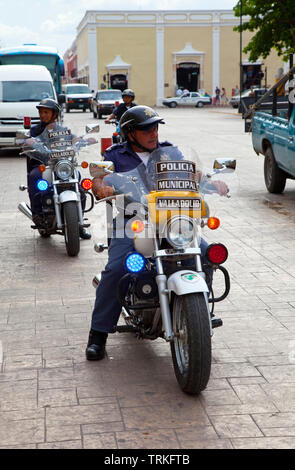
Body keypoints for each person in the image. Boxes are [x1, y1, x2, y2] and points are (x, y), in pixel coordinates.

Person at [86, 105, 227, 361]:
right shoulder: (116, 154)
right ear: (130, 133)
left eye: (156, 127)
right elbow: (100, 177)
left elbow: (190, 174)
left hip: (172, 220)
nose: (154, 132)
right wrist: (102, 187)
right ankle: (98, 334)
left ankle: (200, 313)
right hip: (132, 220)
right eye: (146, 129)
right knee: (118, 269)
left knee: (206, 255)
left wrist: (210, 182)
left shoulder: (169, 151)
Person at [25, 98, 91, 239]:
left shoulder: (61, 130)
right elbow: (28, 140)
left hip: (61, 166)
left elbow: (73, 138)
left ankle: (78, 224)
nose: (43, 115)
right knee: (34, 177)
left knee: (80, 187)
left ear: (54, 114)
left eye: (46, 112)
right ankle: (37, 214)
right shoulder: (35, 130)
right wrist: (29, 141)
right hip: (43, 165)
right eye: (41, 112)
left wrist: (81, 140)